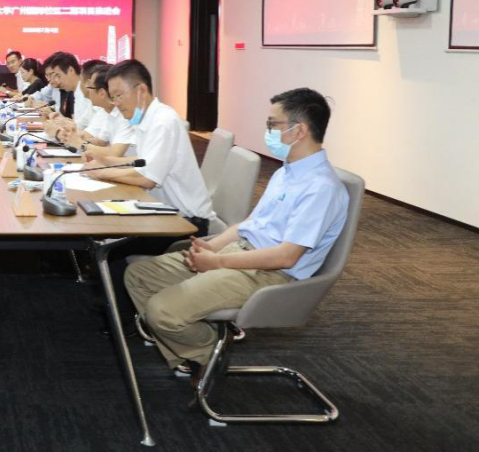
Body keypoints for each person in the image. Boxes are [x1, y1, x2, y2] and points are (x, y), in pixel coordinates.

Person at [125, 87, 349, 388]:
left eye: (273, 124)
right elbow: (251, 224)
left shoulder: (320, 187)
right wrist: (210, 246)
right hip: (239, 252)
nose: (268, 131)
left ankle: (208, 356)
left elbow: (286, 257)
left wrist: (217, 262)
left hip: (269, 273)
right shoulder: (287, 173)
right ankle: (191, 350)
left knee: (162, 311)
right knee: (139, 275)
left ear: (300, 131)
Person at [82, 60, 215, 333]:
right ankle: (117, 302)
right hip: (160, 210)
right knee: (106, 228)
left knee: (113, 246)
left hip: (185, 222)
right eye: (113, 96)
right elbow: (140, 163)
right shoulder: (147, 119)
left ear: (141, 90)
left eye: (118, 96)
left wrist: (101, 173)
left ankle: (125, 321)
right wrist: (105, 162)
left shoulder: (163, 122)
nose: (115, 103)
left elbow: (147, 178)